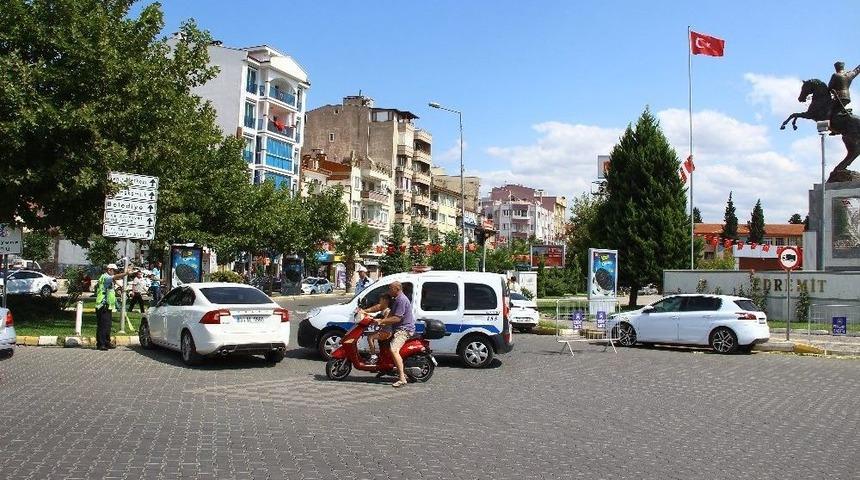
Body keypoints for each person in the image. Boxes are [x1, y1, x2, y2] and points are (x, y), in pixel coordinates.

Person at [373, 282, 415, 387]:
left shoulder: (401, 300)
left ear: (397, 289)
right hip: (397, 328)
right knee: (382, 340)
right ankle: (385, 367)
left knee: (393, 349)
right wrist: (379, 319)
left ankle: (402, 378)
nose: (389, 291)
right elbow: (391, 314)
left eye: (391, 289)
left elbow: (397, 318)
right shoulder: (396, 299)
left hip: (404, 329)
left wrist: (381, 321)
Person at [95, 263, 128, 351]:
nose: (115, 272)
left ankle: (106, 341)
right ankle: (101, 344)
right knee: (103, 325)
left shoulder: (109, 279)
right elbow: (114, 277)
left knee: (108, 325)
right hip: (102, 304)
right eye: (114, 271)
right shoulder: (105, 277)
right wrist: (126, 273)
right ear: (109, 270)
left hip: (108, 305)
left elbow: (114, 283)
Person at [359, 293, 393, 365]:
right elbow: (374, 311)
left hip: (386, 332)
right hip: (382, 330)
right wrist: (365, 313)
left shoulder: (387, 311)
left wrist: (376, 321)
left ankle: (374, 356)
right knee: (369, 334)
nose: (379, 302)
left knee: (370, 337)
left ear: (385, 301)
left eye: (380, 300)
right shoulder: (383, 309)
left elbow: (385, 321)